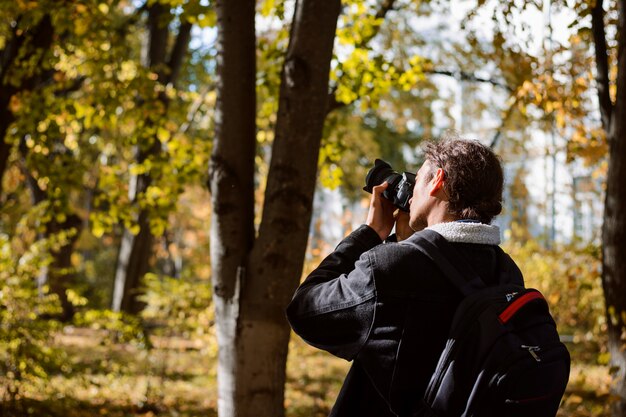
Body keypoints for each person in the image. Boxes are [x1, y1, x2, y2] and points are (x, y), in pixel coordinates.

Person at [286, 135, 525, 417]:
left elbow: (305, 310)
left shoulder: (391, 268)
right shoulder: (508, 274)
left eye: (419, 179)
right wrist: (409, 244)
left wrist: (370, 234)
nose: (411, 195)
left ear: (437, 181)